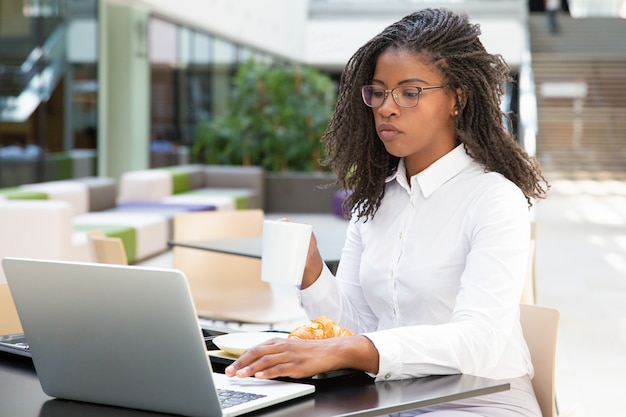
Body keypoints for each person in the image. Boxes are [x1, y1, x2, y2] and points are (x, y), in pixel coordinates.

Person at [226, 8, 549, 416]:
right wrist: (311, 276)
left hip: (480, 400)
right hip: (389, 398)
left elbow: (479, 342)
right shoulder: (374, 201)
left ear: (458, 98)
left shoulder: (494, 199)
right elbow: (357, 326)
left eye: (409, 92)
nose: (386, 108)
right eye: (378, 92)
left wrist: (354, 348)